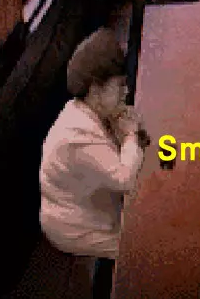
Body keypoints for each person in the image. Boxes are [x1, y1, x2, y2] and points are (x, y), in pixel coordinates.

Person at [39, 28, 149, 259]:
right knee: (143, 253)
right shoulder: (77, 135)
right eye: (119, 86)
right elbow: (124, 180)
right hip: (76, 227)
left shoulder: (89, 110)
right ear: (96, 90)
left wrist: (128, 131)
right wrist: (130, 135)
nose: (125, 92)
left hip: (94, 208)